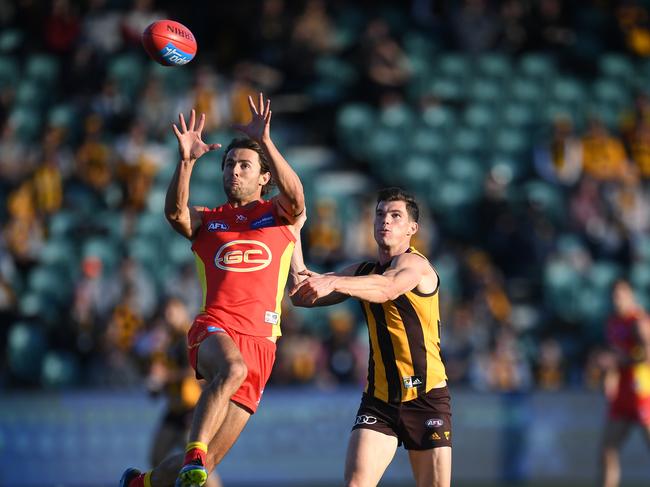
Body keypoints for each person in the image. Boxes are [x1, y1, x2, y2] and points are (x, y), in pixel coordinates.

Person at [121, 93, 305, 487]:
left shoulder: (279, 215)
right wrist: (186, 163)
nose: (234, 172)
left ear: (264, 176)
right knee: (230, 372)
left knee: (203, 472)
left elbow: (298, 197)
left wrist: (267, 143)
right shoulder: (210, 220)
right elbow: (174, 213)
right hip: (215, 329)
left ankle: (141, 484)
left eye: (244, 165)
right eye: (228, 165)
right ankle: (193, 453)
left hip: (263, 345)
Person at [289, 187, 452, 487]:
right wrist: (293, 232)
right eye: (379, 214)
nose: (385, 221)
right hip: (380, 400)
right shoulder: (364, 270)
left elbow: (387, 289)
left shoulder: (415, 265)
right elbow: (302, 296)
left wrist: (335, 281)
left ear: (412, 228)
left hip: (426, 398)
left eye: (395, 215)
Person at [145, 297, 221, 487]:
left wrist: (166, 376)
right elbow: (165, 374)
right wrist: (157, 384)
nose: (168, 318)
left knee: (198, 464)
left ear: (182, 312)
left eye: (171, 313)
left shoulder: (191, 336)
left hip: (191, 409)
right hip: (174, 409)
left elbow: (198, 372)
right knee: (156, 457)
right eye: (165, 314)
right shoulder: (168, 341)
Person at [600, 279, 650, 487]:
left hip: (642, 393)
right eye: (614, 296)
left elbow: (647, 355)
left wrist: (623, 361)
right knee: (608, 449)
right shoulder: (612, 323)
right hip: (621, 396)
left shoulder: (638, 321)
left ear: (631, 295)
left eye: (621, 295)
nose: (617, 300)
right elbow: (614, 356)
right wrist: (609, 376)